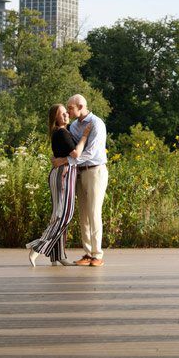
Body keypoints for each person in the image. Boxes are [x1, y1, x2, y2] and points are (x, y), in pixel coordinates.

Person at [26, 104, 91, 267]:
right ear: (55, 118)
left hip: (64, 173)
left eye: (66, 113)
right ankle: (38, 247)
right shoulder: (61, 132)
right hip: (63, 174)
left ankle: (58, 256)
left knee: (61, 213)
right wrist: (85, 136)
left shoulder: (64, 131)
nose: (65, 115)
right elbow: (76, 154)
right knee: (64, 214)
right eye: (61, 114)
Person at [66, 94, 108, 267]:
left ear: (81, 106)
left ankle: (97, 254)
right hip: (80, 172)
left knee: (94, 212)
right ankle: (88, 253)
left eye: (70, 108)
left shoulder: (97, 123)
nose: (68, 111)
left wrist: (67, 162)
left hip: (95, 171)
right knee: (83, 214)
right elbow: (75, 148)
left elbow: (90, 152)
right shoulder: (74, 125)